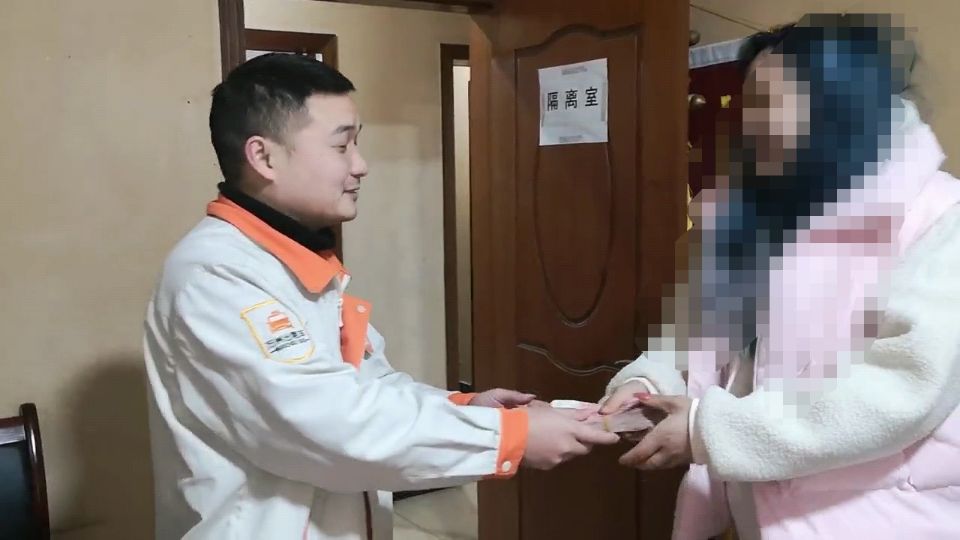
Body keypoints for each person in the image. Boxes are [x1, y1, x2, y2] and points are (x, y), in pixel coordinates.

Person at [143, 53, 619, 540]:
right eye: (341, 145)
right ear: (264, 158)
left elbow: (370, 392)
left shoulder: (298, 260)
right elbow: (331, 428)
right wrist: (512, 437)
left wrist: (467, 407)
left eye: (358, 143)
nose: (360, 165)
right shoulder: (217, 275)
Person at [600, 15, 960, 540]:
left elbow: (903, 386)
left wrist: (706, 429)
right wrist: (647, 384)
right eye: (751, 104)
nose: (753, 124)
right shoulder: (764, 214)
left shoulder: (942, 218)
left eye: (772, 104)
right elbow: (704, 343)